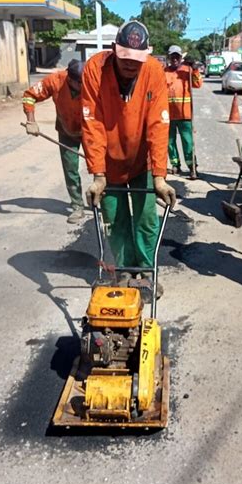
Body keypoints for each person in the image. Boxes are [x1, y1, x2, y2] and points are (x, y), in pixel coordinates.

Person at [82, 20, 176, 291]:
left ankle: (146, 271)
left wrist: (159, 177)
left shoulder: (154, 72)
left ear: (147, 54)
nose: (131, 65)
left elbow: (159, 124)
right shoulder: (94, 70)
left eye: (137, 60)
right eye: (125, 59)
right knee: (115, 218)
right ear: (114, 48)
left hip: (142, 161)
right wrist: (98, 175)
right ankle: (124, 270)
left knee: (146, 218)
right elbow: (93, 124)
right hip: (109, 165)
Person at [22, 59, 86, 223]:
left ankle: (104, 202)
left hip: (91, 131)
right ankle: (77, 205)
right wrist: (31, 121)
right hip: (67, 130)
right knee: (70, 168)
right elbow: (30, 96)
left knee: (99, 167)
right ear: (70, 79)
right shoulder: (55, 80)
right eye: (80, 83)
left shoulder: (92, 81)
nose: (85, 86)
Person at [164, 45, 203, 179]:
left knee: (187, 141)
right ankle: (175, 165)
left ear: (181, 57)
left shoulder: (187, 70)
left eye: (177, 56)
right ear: (169, 57)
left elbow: (198, 84)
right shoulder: (164, 72)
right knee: (170, 141)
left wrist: (195, 69)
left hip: (185, 114)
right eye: (172, 56)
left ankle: (192, 166)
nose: (175, 59)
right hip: (168, 114)